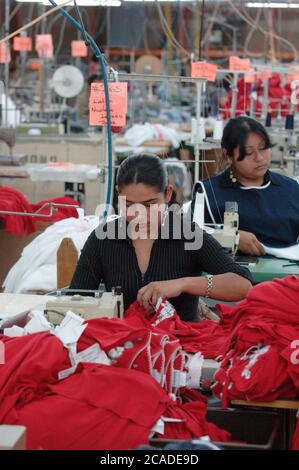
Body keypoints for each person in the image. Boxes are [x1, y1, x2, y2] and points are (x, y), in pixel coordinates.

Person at [70, 154, 252, 322]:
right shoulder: (103, 239)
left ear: (168, 194)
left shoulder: (188, 236)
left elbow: (243, 284)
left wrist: (183, 284)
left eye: (150, 205)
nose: (139, 214)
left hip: (182, 347)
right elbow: (74, 301)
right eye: (129, 204)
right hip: (123, 346)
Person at [194, 116, 299, 256]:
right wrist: (230, 237)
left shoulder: (291, 189)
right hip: (232, 275)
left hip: (288, 274)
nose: (259, 158)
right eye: (249, 152)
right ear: (228, 155)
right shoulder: (208, 193)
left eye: (263, 148)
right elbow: (191, 236)